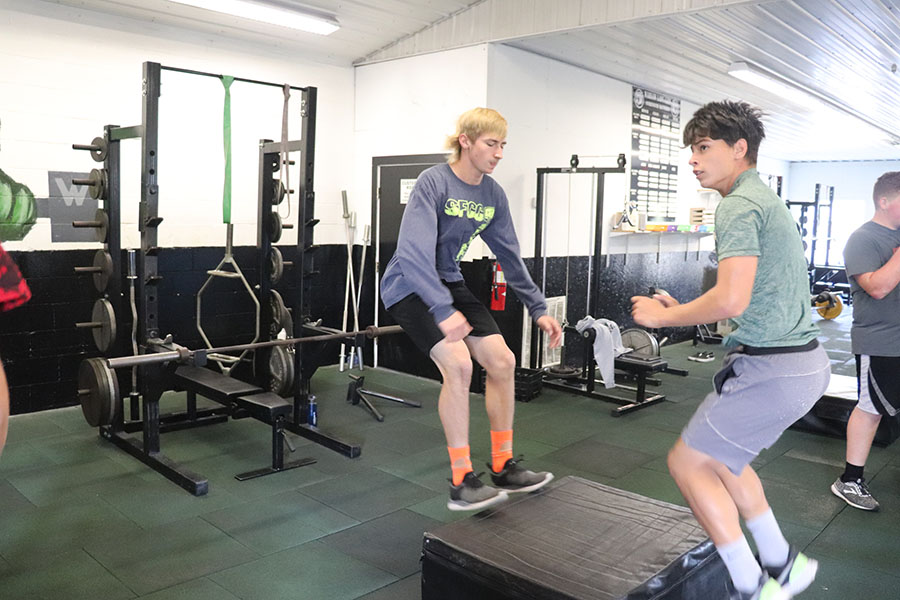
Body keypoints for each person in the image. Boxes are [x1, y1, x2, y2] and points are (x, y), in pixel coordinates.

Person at [631, 100, 830, 600]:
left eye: (703, 147)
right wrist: (687, 307)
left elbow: (733, 296)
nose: (693, 160)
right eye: (691, 150)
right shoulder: (764, 198)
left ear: (739, 149)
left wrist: (662, 317)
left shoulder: (737, 205)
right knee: (723, 462)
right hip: (801, 365)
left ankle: (749, 584)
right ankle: (784, 564)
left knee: (686, 463)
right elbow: (754, 296)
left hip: (774, 370)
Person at [380, 107, 562, 511]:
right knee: (460, 365)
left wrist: (537, 307)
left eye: (502, 146)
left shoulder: (492, 194)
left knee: (502, 361)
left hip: (449, 280)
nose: (498, 154)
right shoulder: (434, 182)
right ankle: (461, 480)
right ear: (466, 141)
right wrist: (442, 309)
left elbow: (509, 256)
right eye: (490, 144)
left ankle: (503, 465)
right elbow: (411, 254)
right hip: (408, 285)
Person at [830, 171, 900, 512]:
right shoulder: (862, 239)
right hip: (881, 341)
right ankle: (850, 479)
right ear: (884, 201)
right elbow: (877, 287)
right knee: (871, 409)